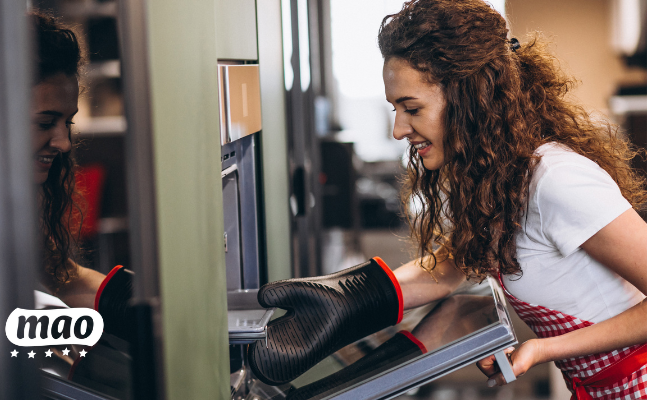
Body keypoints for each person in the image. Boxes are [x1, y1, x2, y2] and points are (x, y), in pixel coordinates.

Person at [249, 0, 647, 398]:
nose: (398, 129)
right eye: (395, 109)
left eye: (412, 108)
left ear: (468, 98)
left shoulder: (556, 180)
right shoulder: (503, 180)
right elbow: (455, 263)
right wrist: (345, 296)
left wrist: (543, 348)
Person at [30, 12, 134, 341]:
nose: (63, 143)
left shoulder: (15, 206)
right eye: (45, 123)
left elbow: (64, 278)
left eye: (67, 123)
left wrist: (150, 308)